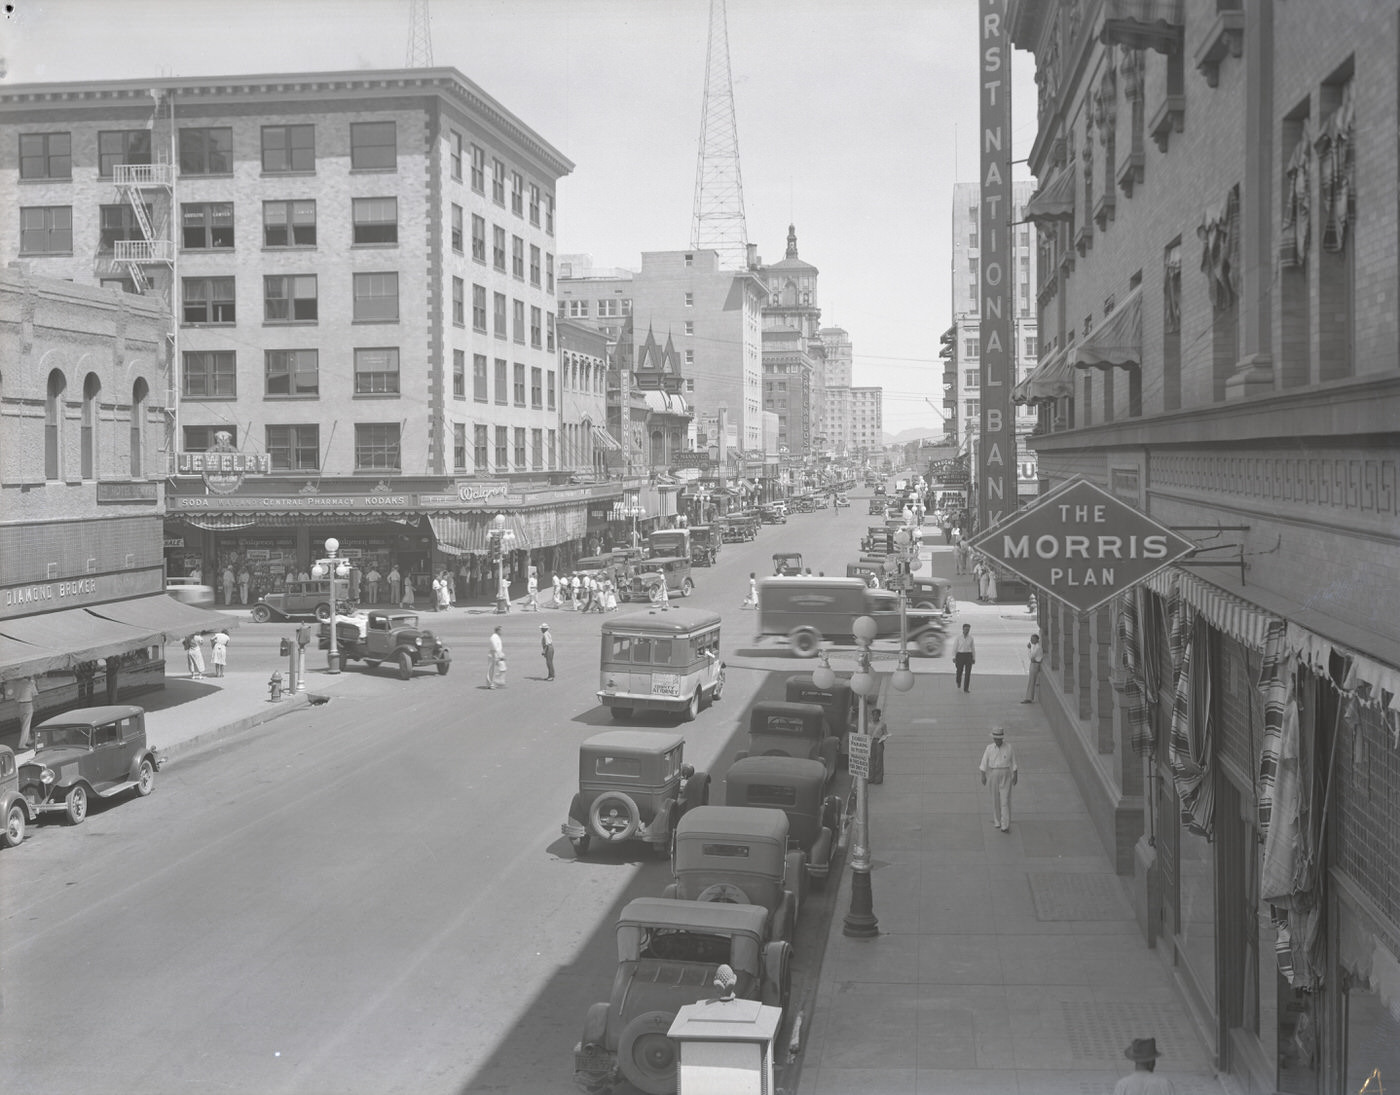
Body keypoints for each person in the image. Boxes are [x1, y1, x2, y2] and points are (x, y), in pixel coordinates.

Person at [978, 727, 1018, 832]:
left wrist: (1015, 774)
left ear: (1002, 738)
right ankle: (997, 821)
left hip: (1005, 773)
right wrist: (983, 775)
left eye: (999, 738)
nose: (997, 740)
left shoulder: (1009, 747)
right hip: (993, 773)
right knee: (995, 799)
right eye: (995, 738)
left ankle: (1005, 825)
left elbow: (1014, 762)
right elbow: (984, 762)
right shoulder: (989, 748)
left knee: (1004, 800)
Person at [7, 676, 37, 751]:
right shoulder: (30, 683)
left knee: (24, 724)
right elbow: (35, 694)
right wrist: (34, 683)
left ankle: (28, 740)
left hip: (19, 705)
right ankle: (21, 744)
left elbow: (11, 694)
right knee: (26, 725)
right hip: (28, 704)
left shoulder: (16, 684)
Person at [953, 623, 976, 692]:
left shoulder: (971, 638)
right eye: (966, 629)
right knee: (959, 671)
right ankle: (958, 681)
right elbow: (955, 647)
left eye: (968, 629)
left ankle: (966, 688)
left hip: (968, 656)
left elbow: (973, 648)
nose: (967, 631)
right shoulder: (958, 637)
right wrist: (953, 657)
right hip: (960, 655)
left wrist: (974, 658)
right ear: (963, 629)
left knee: (968, 673)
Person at [1022, 634, 1044, 703]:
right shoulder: (1035, 646)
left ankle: (1029, 698)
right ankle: (1028, 697)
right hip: (1034, 664)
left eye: (1033, 639)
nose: (1031, 640)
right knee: (1031, 681)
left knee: (1031, 681)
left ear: (1037, 640)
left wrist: (1028, 649)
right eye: (1031, 638)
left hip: (1035, 665)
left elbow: (1031, 657)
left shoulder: (1037, 647)